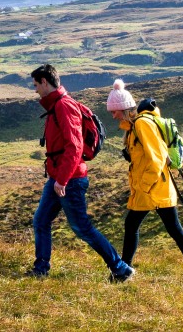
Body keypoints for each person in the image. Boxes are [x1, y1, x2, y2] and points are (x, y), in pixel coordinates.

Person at [28, 64, 134, 281]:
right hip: (59, 177)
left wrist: (62, 180)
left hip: (70, 179)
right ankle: (40, 270)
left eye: (36, 84)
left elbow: (74, 147)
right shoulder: (57, 105)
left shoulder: (64, 106)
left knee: (82, 228)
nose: (35, 89)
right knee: (41, 221)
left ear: (45, 82)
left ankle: (121, 269)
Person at [107, 80, 183, 284]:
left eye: (114, 111)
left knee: (140, 226)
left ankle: (123, 272)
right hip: (154, 187)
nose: (113, 116)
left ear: (123, 109)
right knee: (169, 229)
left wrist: (143, 185)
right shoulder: (134, 127)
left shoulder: (142, 124)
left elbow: (157, 158)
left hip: (152, 188)